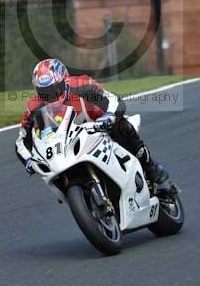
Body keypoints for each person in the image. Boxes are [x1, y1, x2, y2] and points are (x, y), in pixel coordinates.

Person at [15, 58, 172, 193]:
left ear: (64, 81)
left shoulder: (82, 85)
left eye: (54, 89)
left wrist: (108, 117)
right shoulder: (34, 107)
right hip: (68, 144)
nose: (50, 96)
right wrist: (29, 161)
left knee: (122, 126)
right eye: (44, 93)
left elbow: (112, 100)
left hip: (100, 127)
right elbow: (21, 141)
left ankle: (152, 169)